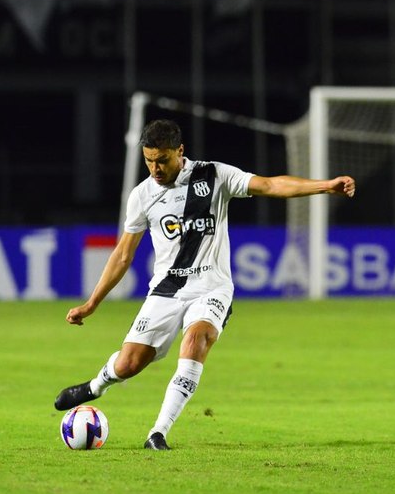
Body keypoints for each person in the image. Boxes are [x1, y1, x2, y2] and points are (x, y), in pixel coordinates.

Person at [54, 118, 355, 450]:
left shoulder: (215, 176)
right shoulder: (142, 196)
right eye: (149, 160)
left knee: (195, 340)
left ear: (180, 152)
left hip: (212, 287)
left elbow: (269, 185)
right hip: (167, 289)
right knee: (129, 363)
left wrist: (325, 186)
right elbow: (123, 255)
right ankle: (95, 387)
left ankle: (158, 433)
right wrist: (91, 303)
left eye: (163, 160)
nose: (155, 168)